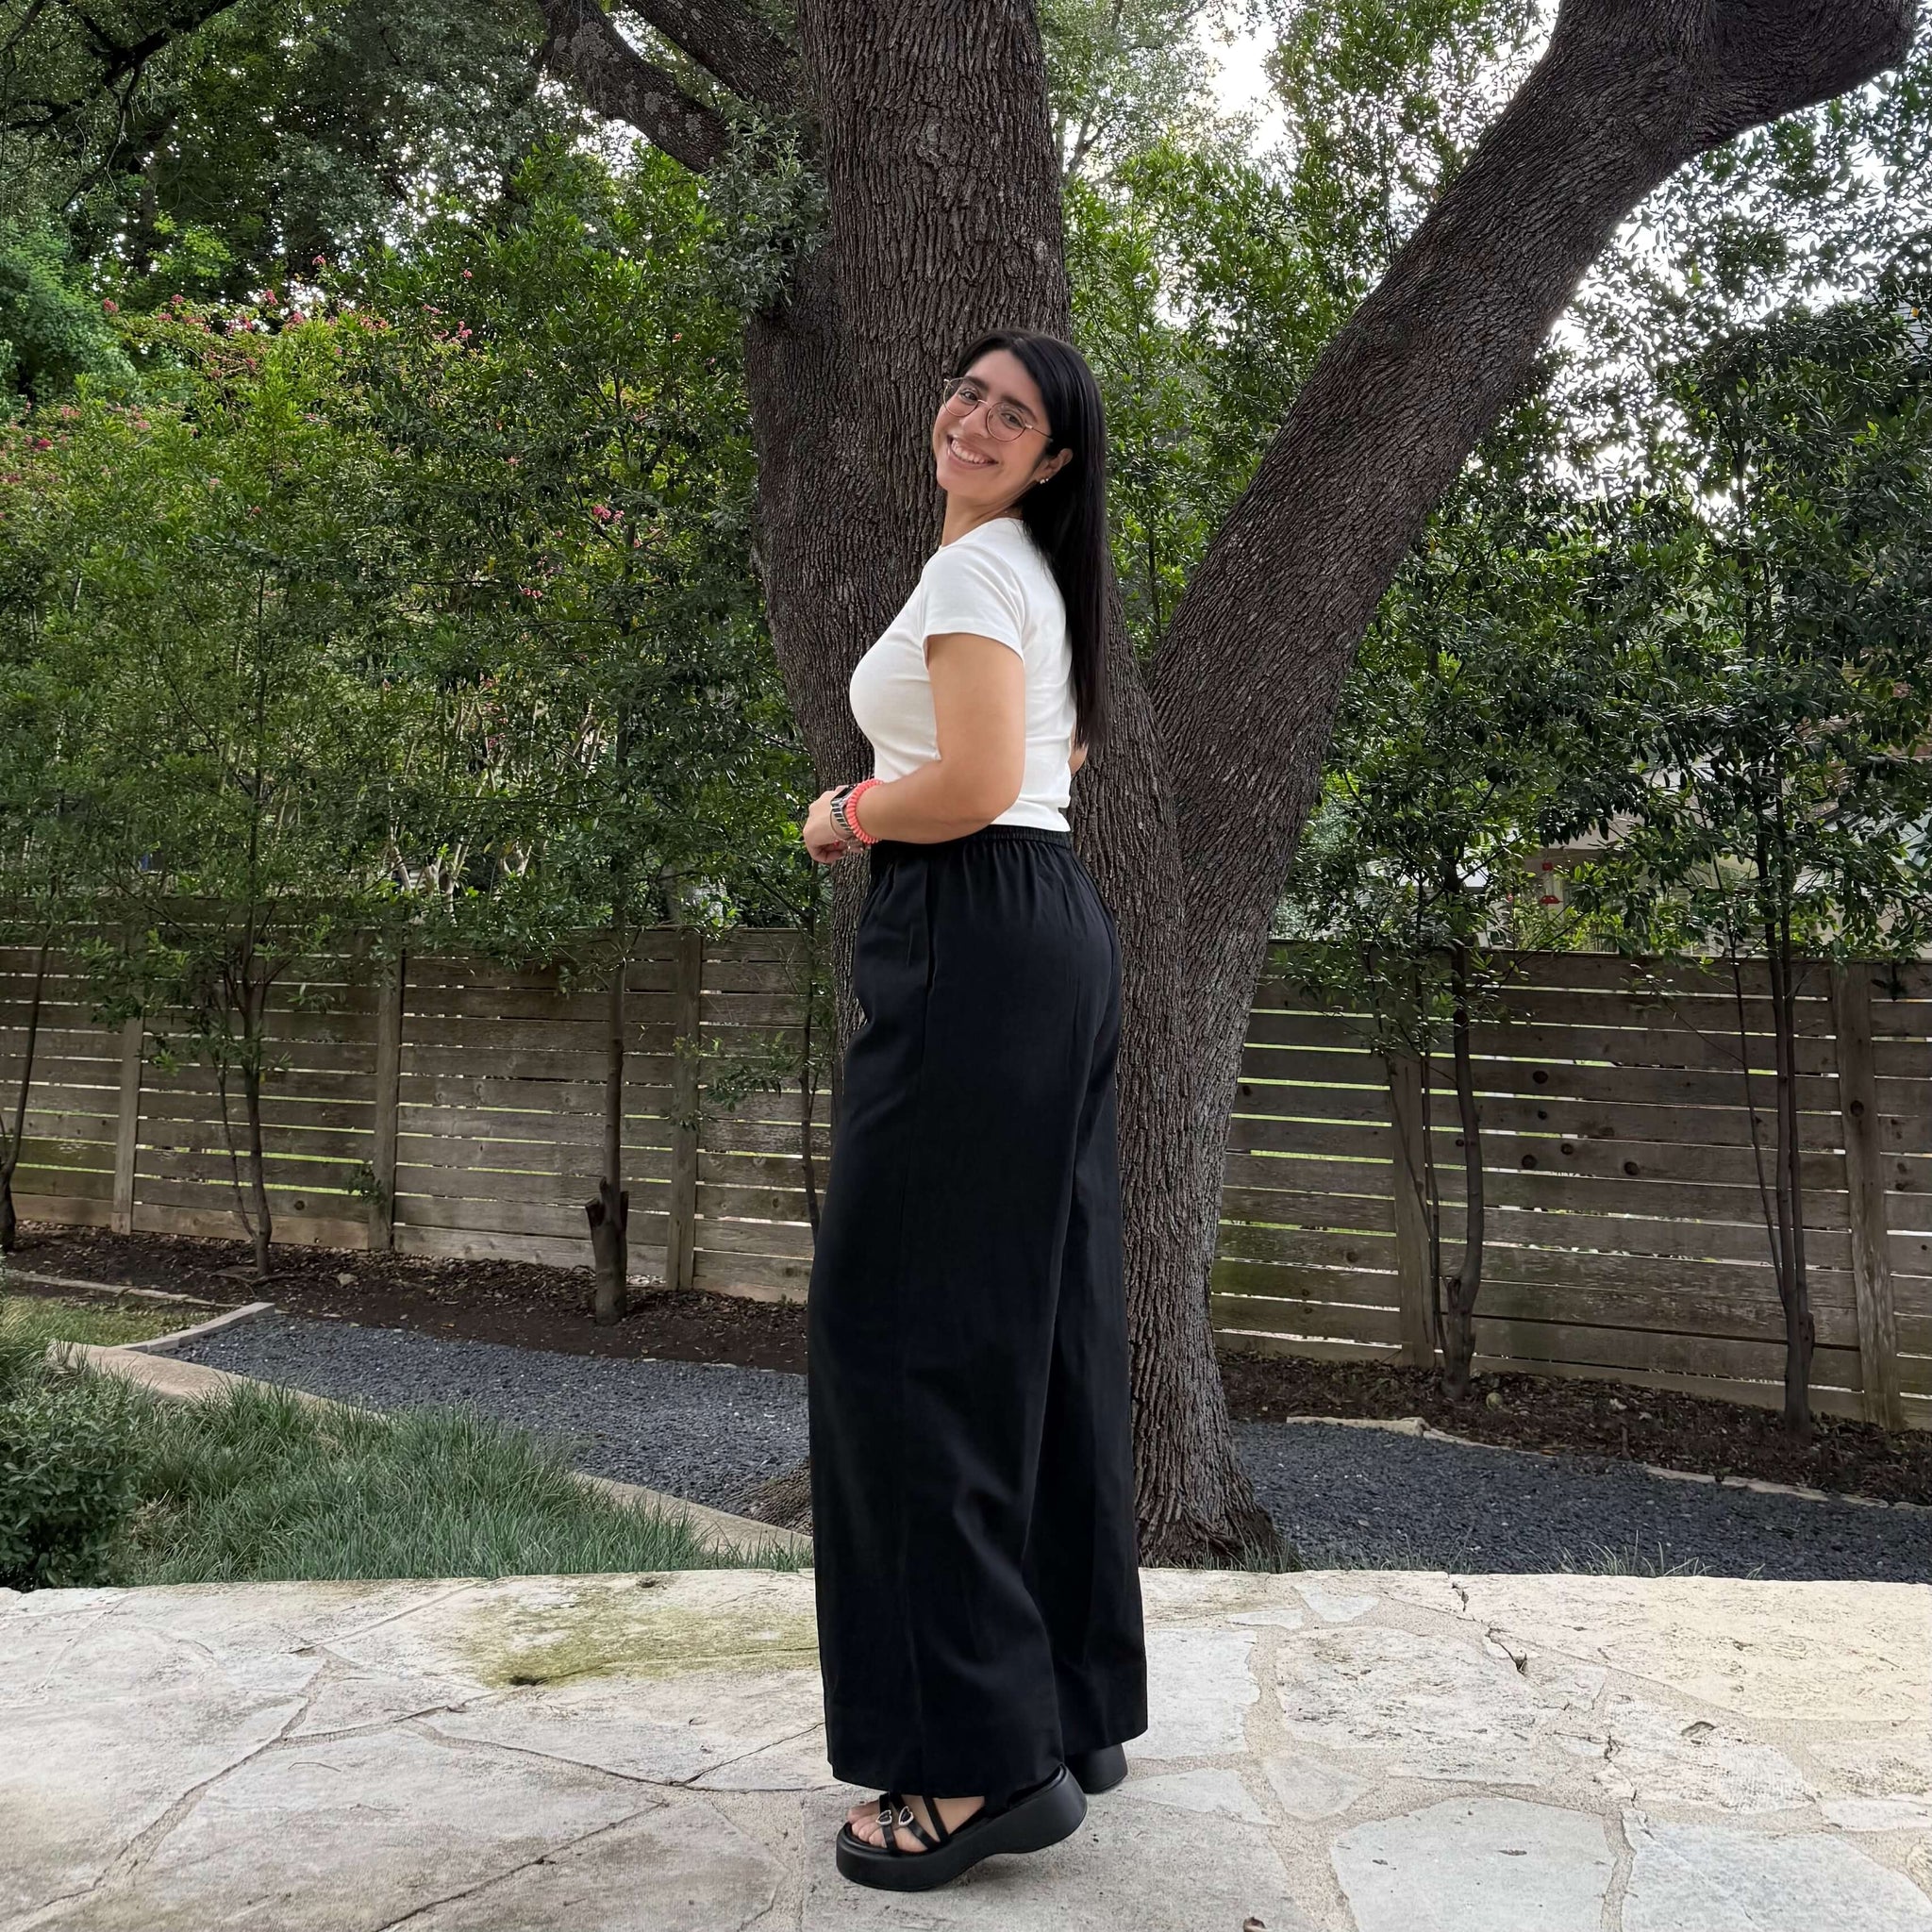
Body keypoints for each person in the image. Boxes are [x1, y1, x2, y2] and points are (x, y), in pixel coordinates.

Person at [797, 329, 1147, 1893]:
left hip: (974, 932)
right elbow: (1052, 760)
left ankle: (975, 1761)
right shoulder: (1035, 579)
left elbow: (975, 779)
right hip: (1047, 931)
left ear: (1053, 456)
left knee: (906, 1337)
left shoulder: (973, 576)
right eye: (968, 394)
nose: (977, 420)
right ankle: (1069, 1705)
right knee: (1042, 1321)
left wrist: (846, 813)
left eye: (1015, 414)